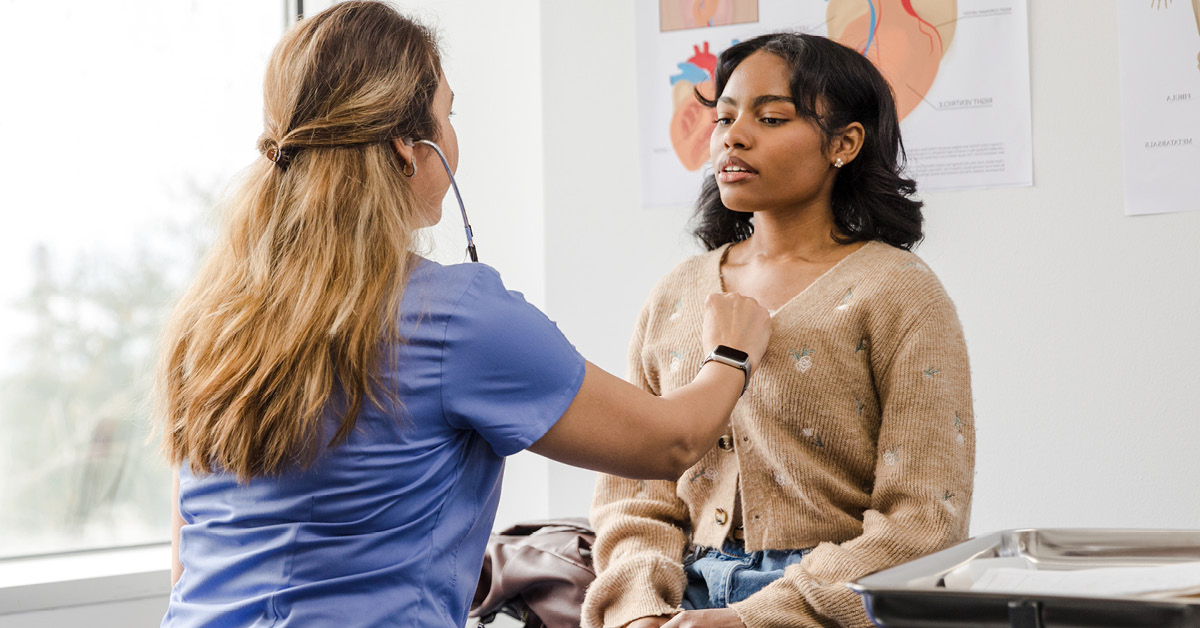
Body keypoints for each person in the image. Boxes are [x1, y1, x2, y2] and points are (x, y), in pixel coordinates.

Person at [153, 3, 771, 627]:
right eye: (449, 115)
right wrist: (731, 353)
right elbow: (672, 442)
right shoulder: (456, 319)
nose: (453, 138)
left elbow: (190, 554)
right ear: (409, 147)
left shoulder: (213, 315)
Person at [583, 32, 975, 628]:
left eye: (770, 117)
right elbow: (635, 499)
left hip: (832, 603)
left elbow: (923, 523)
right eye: (723, 117)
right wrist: (638, 612)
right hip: (674, 598)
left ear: (844, 144)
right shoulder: (676, 293)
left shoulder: (898, 289)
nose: (733, 137)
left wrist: (751, 619)